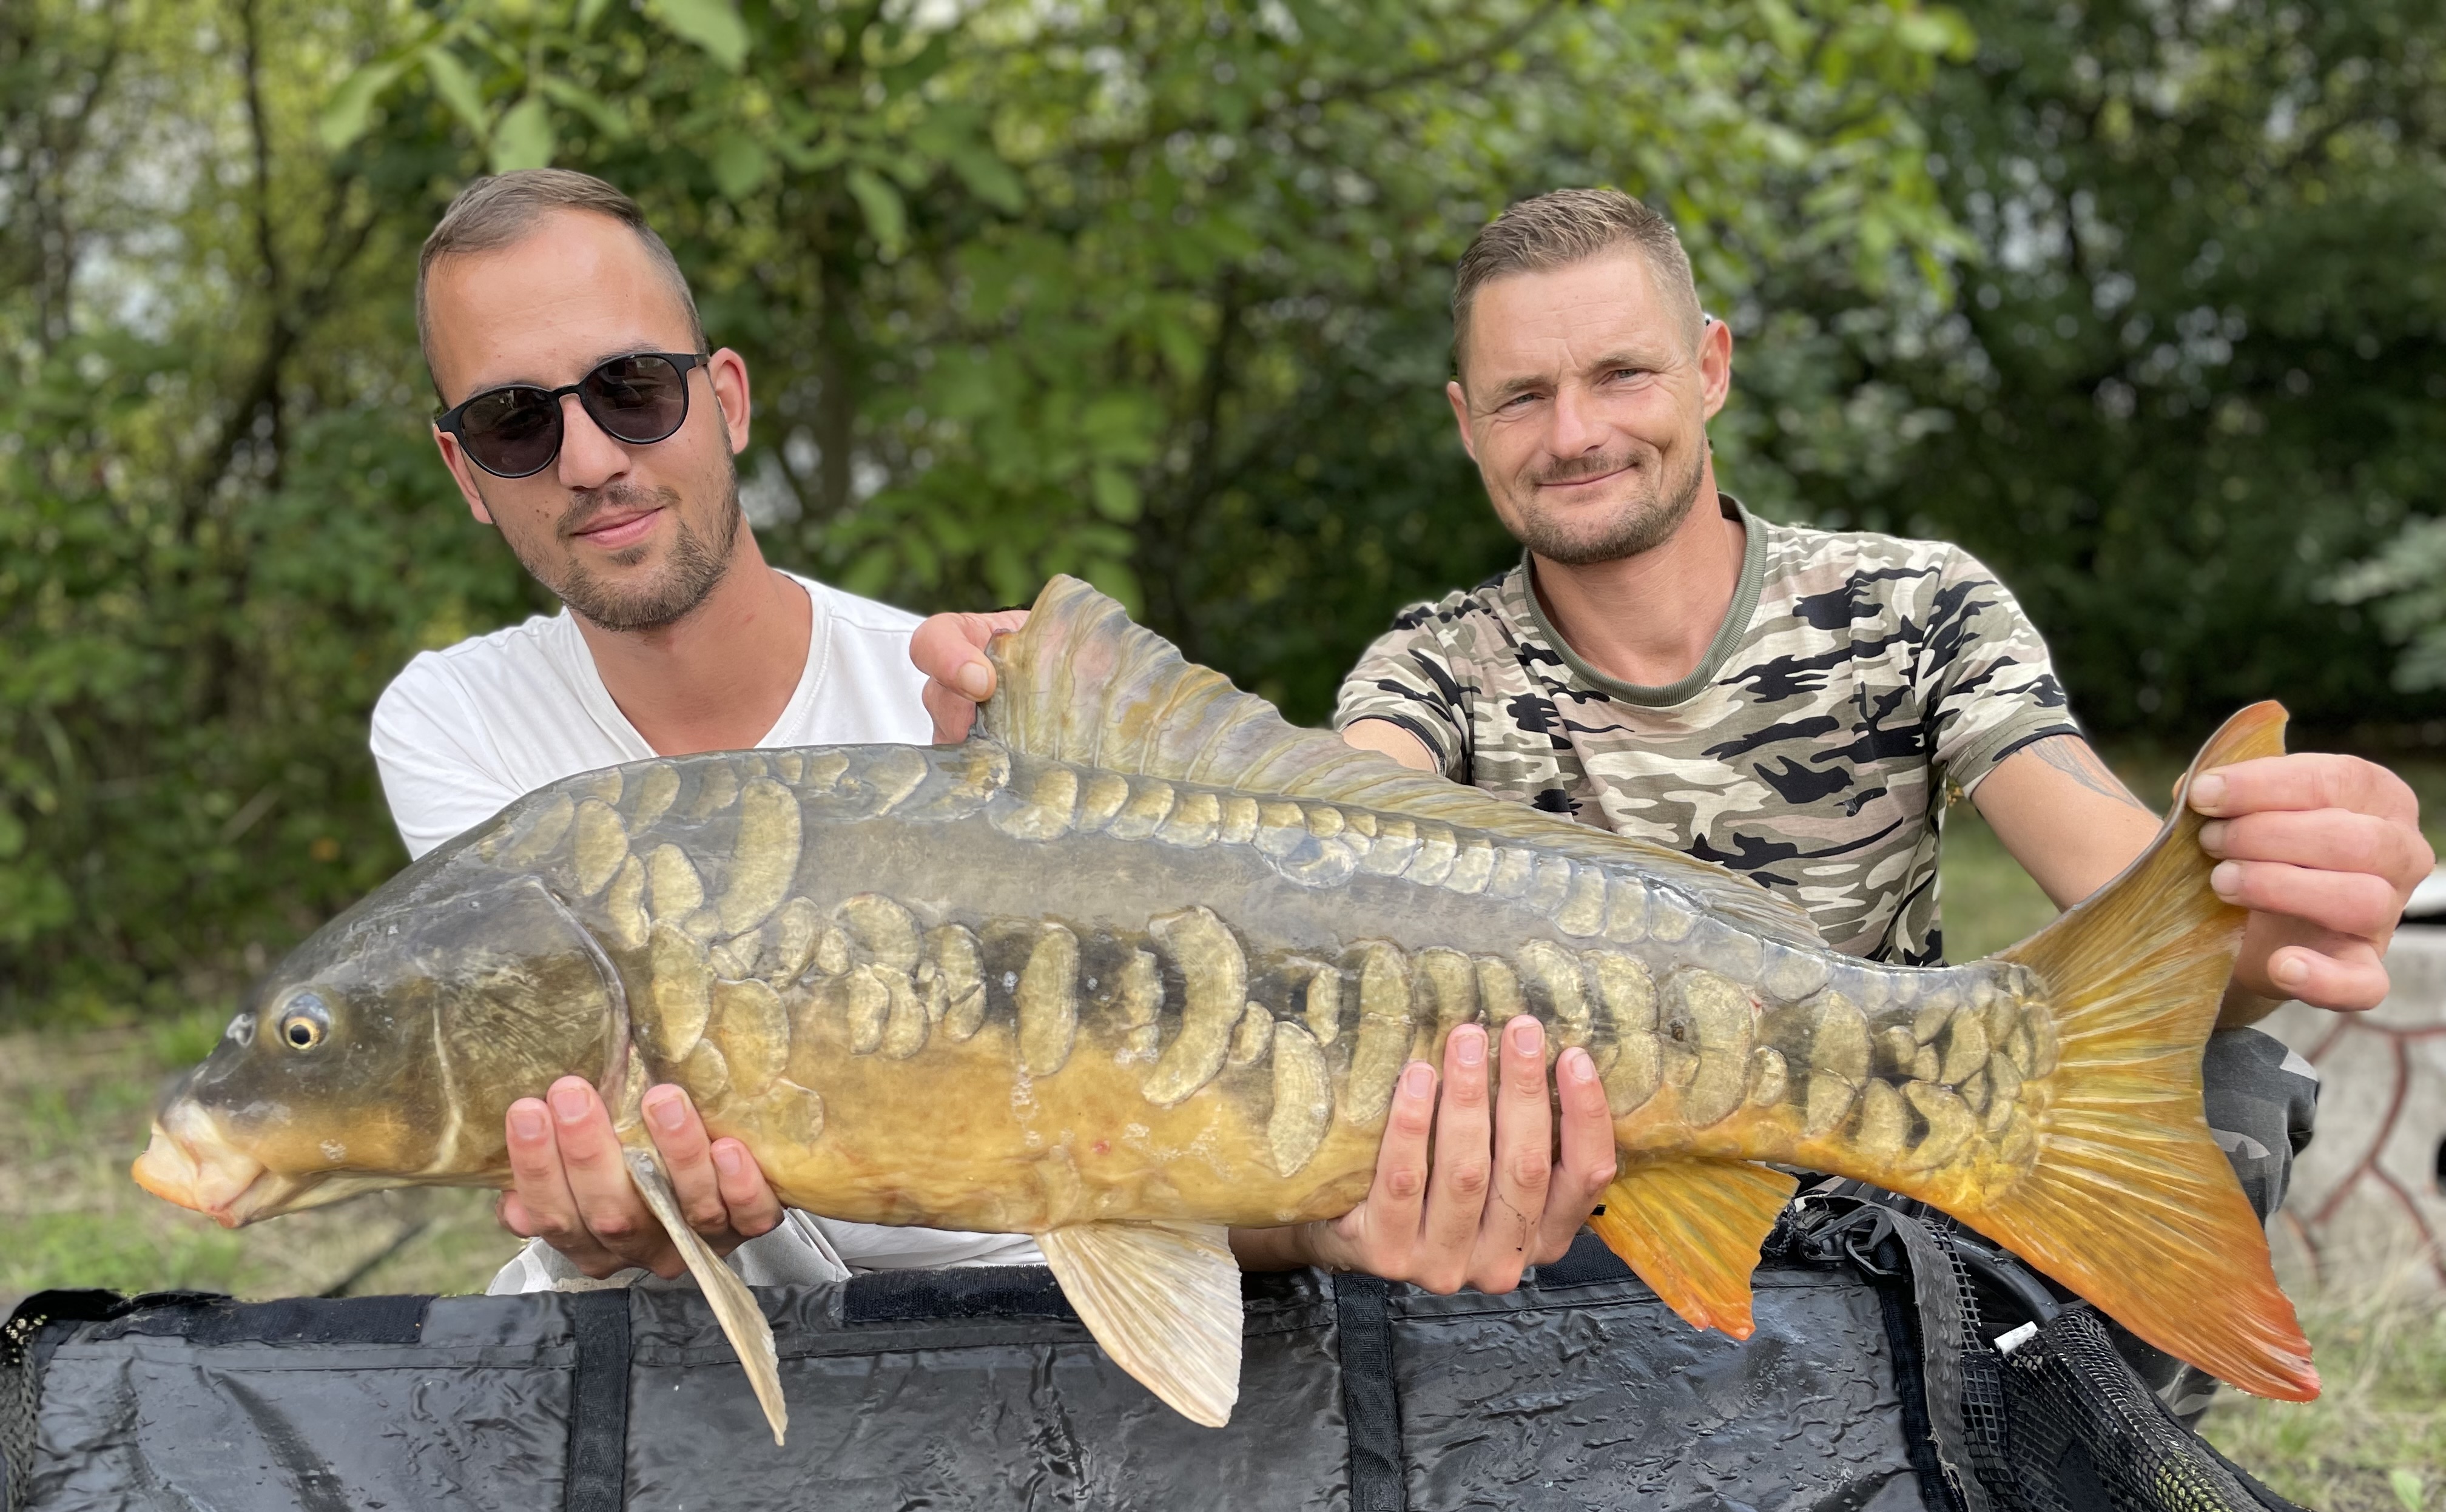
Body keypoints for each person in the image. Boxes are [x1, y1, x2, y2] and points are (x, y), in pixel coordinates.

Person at [914, 189, 2434, 1307]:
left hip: (1898, 1181)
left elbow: (2114, 883)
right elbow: (1301, 860)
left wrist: (2253, 902)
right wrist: (1059, 789)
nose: (1574, 431)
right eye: (1523, 395)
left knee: (2228, 1078)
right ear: (1466, 421)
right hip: (1583, 1224)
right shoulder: (1431, 669)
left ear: (1709, 366)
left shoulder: (1912, 607)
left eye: (1620, 375)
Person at [376, 169, 1589, 1301]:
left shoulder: (964, 710)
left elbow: (1157, 1160)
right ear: (464, 472)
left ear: (727, 399)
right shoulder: (456, 725)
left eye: (634, 390)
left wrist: (1327, 1218)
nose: (591, 460)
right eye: (514, 424)